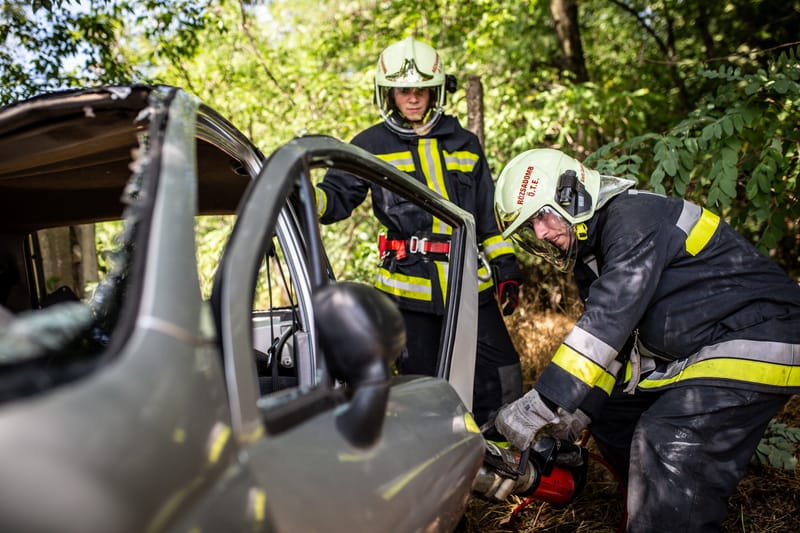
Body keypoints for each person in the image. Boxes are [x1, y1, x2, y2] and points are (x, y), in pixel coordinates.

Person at [491, 148, 800, 532]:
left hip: (760, 336)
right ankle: (652, 508)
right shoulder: (593, 253)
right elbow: (615, 347)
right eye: (530, 227)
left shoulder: (633, 218)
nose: (540, 233)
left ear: (571, 194)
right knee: (612, 413)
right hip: (710, 344)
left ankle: (672, 515)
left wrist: (544, 402)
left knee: (666, 438)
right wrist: (574, 414)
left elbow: (607, 320)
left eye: (541, 216)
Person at [316, 37, 524, 425]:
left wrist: (506, 267)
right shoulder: (369, 145)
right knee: (423, 391)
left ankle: (501, 451)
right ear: (388, 93)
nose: (413, 98)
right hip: (407, 293)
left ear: (436, 91)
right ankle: (442, 454)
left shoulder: (465, 144)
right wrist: (308, 198)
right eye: (403, 91)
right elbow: (336, 199)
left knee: (504, 377)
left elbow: (486, 217)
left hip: (470, 287)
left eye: (422, 90)